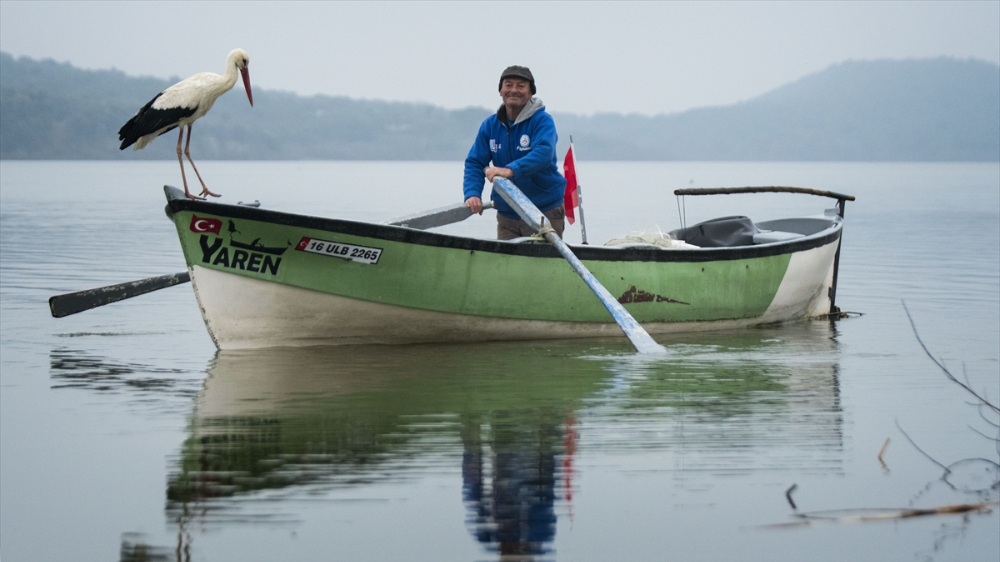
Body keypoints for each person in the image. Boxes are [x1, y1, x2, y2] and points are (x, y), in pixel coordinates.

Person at [463, 66, 567, 240]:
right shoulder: (490, 125)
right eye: (509, 85)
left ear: (530, 92)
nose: (514, 90)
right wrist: (473, 193)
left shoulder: (542, 121)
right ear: (501, 91)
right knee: (506, 265)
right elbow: (475, 162)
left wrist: (509, 170)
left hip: (543, 210)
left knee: (541, 266)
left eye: (521, 86)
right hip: (507, 213)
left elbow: (544, 153)